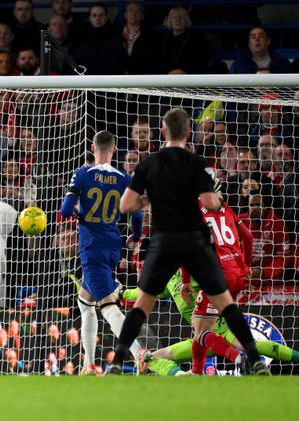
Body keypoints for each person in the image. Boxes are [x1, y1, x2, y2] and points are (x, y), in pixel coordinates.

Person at [108, 107, 267, 375]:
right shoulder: (197, 163)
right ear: (189, 133)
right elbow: (210, 203)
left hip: (163, 243)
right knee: (226, 305)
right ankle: (255, 359)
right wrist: (215, 198)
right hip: (194, 242)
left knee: (142, 306)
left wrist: (151, 197)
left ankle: (116, 362)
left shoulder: (149, 164)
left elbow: (126, 205)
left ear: (163, 132)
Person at [122, 269, 299, 376]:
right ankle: (180, 377)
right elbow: (141, 293)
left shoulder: (196, 270)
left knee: (254, 347)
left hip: (224, 329)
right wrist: (119, 292)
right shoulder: (168, 281)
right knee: (151, 357)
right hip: (200, 339)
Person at [60, 130, 142, 375]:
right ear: (114, 148)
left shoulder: (83, 174)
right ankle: (88, 365)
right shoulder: (124, 177)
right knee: (85, 301)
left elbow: (65, 211)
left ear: (92, 148)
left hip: (91, 248)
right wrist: (135, 237)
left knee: (108, 306)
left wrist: (77, 214)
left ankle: (140, 355)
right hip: (113, 246)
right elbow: (137, 214)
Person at [175, 179, 254, 375]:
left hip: (218, 277)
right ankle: (197, 372)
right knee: (203, 325)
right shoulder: (226, 208)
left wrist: (185, 281)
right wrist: (246, 264)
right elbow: (248, 237)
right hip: (237, 276)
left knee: (201, 330)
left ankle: (239, 358)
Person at [72, 3, 125, 75]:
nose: (98, 18)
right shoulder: (81, 38)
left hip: (109, 81)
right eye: (94, 15)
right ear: (90, 18)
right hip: (85, 81)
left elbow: (115, 65)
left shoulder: (116, 38)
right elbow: (77, 63)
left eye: (101, 15)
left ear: (106, 17)